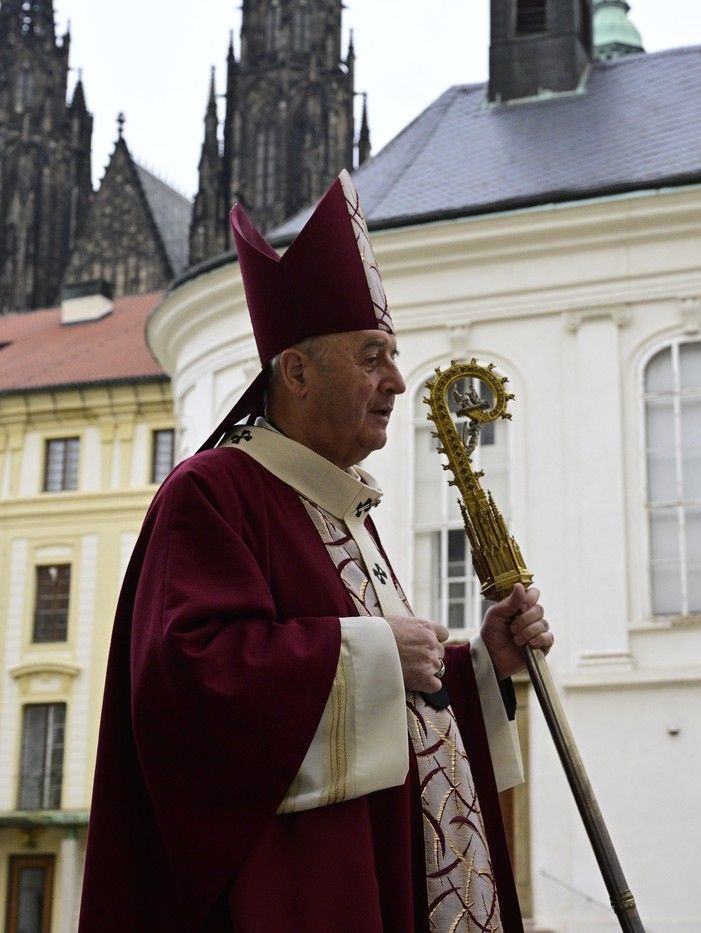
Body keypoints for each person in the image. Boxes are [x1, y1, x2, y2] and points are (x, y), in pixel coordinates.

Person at [80, 171, 552, 932]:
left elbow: (397, 706)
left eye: (392, 356)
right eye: (371, 356)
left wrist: (479, 664)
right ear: (295, 371)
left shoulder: (344, 508)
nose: (397, 380)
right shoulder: (213, 491)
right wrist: (372, 651)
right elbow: (186, 685)